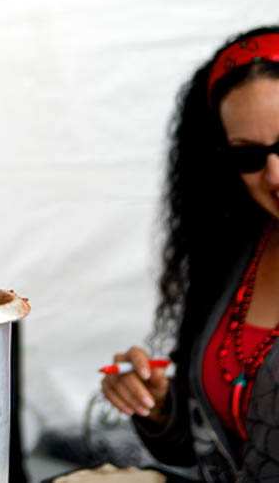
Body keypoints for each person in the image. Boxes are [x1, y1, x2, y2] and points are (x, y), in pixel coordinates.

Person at [101, 26, 279, 480]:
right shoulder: (235, 256)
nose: (274, 175)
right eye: (248, 157)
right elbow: (201, 448)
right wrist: (159, 409)